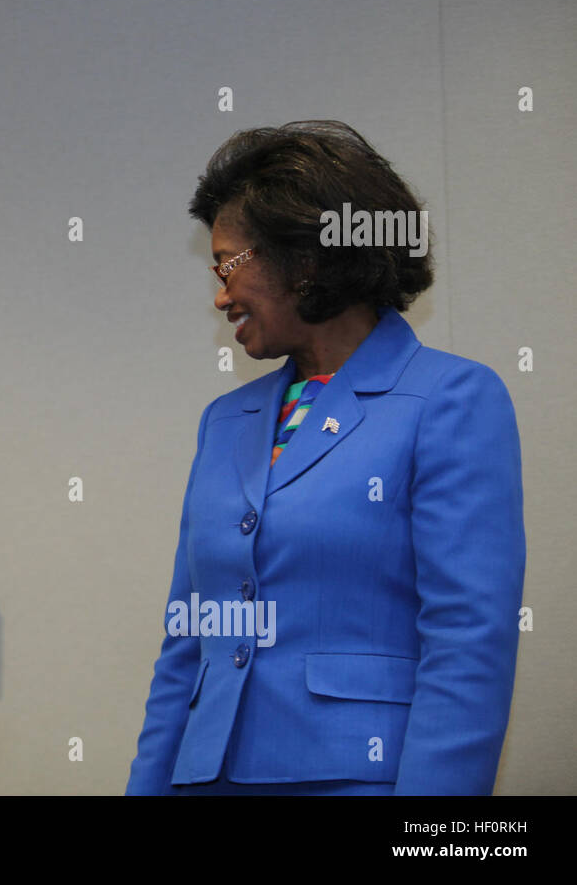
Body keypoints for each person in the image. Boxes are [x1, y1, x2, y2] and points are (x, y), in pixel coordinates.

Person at [126, 121, 525, 795]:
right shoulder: (225, 422)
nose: (220, 295)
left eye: (229, 265)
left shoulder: (451, 400)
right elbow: (186, 646)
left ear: (306, 260)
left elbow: (467, 647)